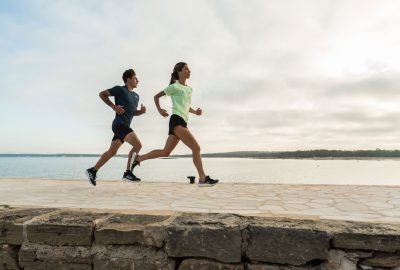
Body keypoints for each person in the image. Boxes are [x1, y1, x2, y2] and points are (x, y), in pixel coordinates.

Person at [130, 62, 219, 187]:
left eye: (189, 69)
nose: (189, 71)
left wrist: (196, 112)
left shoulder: (189, 89)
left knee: (165, 152)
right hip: (176, 121)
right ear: (179, 72)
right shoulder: (174, 86)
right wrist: (160, 110)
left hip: (183, 121)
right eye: (186, 69)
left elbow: (186, 106)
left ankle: (139, 159)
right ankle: (203, 178)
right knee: (196, 148)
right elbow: (156, 97)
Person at [86, 69, 146, 186]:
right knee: (138, 145)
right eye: (135, 78)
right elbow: (102, 94)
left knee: (112, 152)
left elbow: (132, 113)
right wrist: (114, 106)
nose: (137, 80)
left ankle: (93, 170)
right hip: (119, 125)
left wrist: (141, 112)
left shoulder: (136, 96)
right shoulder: (120, 89)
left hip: (125, 127)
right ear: (128, 80)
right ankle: (128, 172)